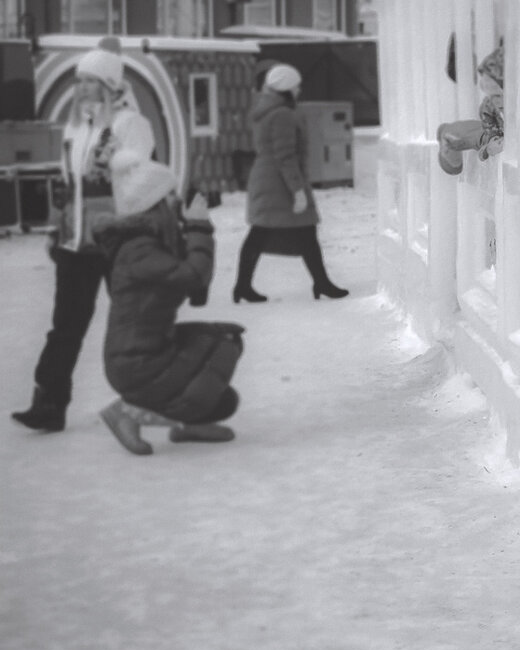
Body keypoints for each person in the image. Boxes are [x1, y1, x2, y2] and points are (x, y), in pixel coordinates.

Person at [11, 37, 155, 432]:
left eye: (91, 81)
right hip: (76, 245)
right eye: (79, 80)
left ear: (110, 85)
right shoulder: (75, 129)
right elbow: (64, 183)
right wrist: (57, 229)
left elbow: (143, 182)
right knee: (65, 325)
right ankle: (49, 403)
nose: (82, 87)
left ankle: (153, 397)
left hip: (118, 241)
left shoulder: (130, 125)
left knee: (133, 324)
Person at [93, 154, 244, 455]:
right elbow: (194, 277)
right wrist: (199, 228)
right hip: (136, 364)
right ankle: (127, 413)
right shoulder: (139, 251)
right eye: (171, 196)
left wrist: (190, 233)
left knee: (222, 386)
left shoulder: (148, 242)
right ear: (156, 204)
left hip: (144, 354)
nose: (177, 202)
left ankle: (190, 424)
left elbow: (196, 293)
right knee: (225, 343)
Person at [232, 63, 347, 303]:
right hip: (278, 182)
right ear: (285, 89)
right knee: (270, 232)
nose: (299, 90)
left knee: (289, 231)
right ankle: (320, 283)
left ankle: (245, 286)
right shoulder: (282, 114)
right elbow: (285, 155)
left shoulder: (268, 110)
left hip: (269, 179)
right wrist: (297, 190)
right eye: (296, 87)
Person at [435, 42, 504, 176]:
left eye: (498, 95)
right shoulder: (489, 107)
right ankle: (447, 135)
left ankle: (450, 136)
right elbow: (487, 135)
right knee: (476, 135)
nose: (495, 101)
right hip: (493, 132)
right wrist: (489, 146)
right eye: (490, 95)